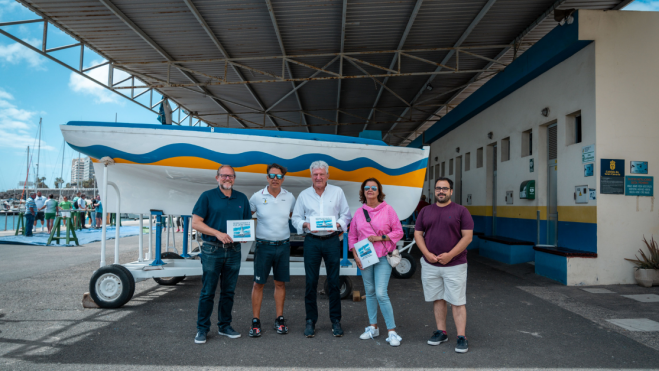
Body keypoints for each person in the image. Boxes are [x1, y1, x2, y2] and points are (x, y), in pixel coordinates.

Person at [191, 165, 251, 344]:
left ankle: (225, 326)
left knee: (228, 292)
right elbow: (195, 223)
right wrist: (217, 233)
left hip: (233, 250)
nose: (227, 179)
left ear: (234, 178)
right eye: (224, 176)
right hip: (212, 249)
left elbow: (246, 222)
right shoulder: (207, 196)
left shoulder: (241, 198)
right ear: (217, 178)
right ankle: (202, 329)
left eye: (230, 176)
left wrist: (244, 235)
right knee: (208, 292)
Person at [291, 160, 352, 338]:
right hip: (312, 241)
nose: (318, 177)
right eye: (315, 174)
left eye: (321, 174)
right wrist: (306, 224)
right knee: (310, 282)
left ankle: (336, 321)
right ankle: (310, 320)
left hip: (332, 240)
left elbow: (346, 215)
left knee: (334, 282)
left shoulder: (337, 192)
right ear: (311, 176)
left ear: (327, 175)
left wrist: (338, 226)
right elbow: (295, 218)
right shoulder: (304, 195)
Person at [414, 177, 473, 353]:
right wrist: (426, 254)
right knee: (437, 298)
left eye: (445, 189)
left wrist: (450, 256)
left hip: (455, 264)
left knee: (457, 301)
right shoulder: (425, 211)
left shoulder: (461, 211)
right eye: (438, 188)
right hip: (430, 264)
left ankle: (461, 336)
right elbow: (418, 234)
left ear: (451, 191)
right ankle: (442, 332)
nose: (441, 191)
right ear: (434, 191)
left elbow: (467, 237)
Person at [348, 178, 404, 346]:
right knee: (370, 291)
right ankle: (373, 327)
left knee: (381, 292)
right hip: (365, 257)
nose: (370, 190)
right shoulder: (359, 213)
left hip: (382, 256)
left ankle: (392, 331)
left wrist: (381, 237)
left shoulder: (388, 210)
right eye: (367, 188)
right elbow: (352, 236)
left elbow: (399, 232)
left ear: (379, 191)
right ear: (363, 192)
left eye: (373, 188)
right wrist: (354, 254)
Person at [248, 163, 296, 337]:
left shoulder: (289, 197)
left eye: (279, 176)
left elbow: (295, 217)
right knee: (258, 284)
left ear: (283, 178)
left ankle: (279, 318)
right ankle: (255, 321)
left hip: (283, 246)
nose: (275, 179)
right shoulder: (256, 197)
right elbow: (246, 218)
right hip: (263, 246)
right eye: (272, 176)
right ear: (267, 177)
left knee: (280, 283)